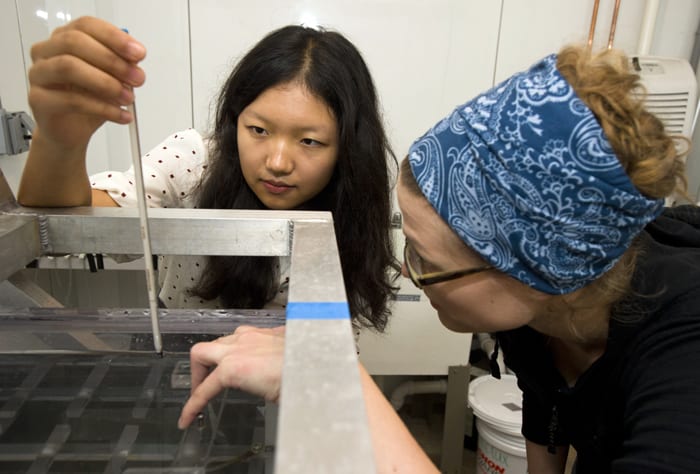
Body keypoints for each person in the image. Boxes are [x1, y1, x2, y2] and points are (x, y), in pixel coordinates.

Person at [178, 44, 700, 473]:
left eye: (425, 259)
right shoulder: (539, 314)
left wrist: (330, 379)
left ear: (536, 273)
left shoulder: (682, 370)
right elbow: (549, 411)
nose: (409, 271)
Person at [17, 17, 397, 332]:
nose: (278, 162)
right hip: (177, 358)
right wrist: (58, 141)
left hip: (285, 369)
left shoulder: (353, 198)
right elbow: (69, 220)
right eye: (259, 131)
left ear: (347, 147)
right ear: (236, 119)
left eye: (310, 141)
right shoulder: (195, 160)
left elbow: (335, 332)